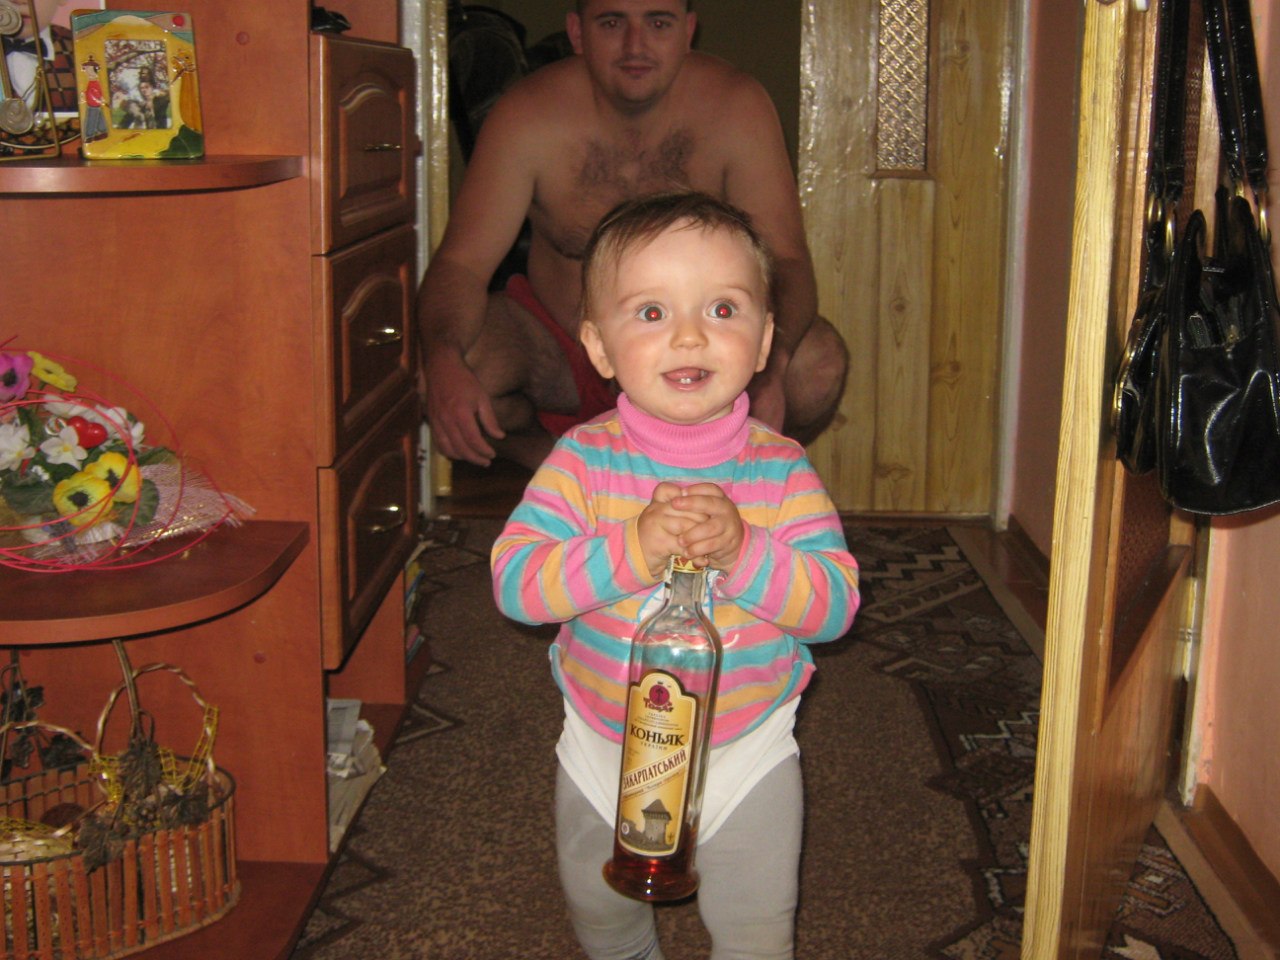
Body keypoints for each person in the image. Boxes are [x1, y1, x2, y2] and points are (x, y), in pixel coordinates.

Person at [491, 192, 860, 960]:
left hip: (747, 749)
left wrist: (746, 552)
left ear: (764, 341)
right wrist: (631, 548)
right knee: (601, 913)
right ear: (599, 348)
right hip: (604, 744)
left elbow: (833, 608)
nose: (690, 335)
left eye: (723, 309)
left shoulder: (782, 471)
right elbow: (518, 585)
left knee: (756, 929)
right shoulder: (581, 464)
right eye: (652, 312)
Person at [420, 0, 847, 471]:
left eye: (658, 23)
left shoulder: (737, 107)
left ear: (688, 32)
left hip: (696, 350)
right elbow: (461, 265)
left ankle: (732, 474)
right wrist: (442, 357)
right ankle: (572, 474)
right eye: (611, 22)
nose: (634, 45)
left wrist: (772, 365)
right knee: (447, 365)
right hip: (563, 354)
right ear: (578, 33)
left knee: (816, 364)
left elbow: (786, 260)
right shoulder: (526, 115)